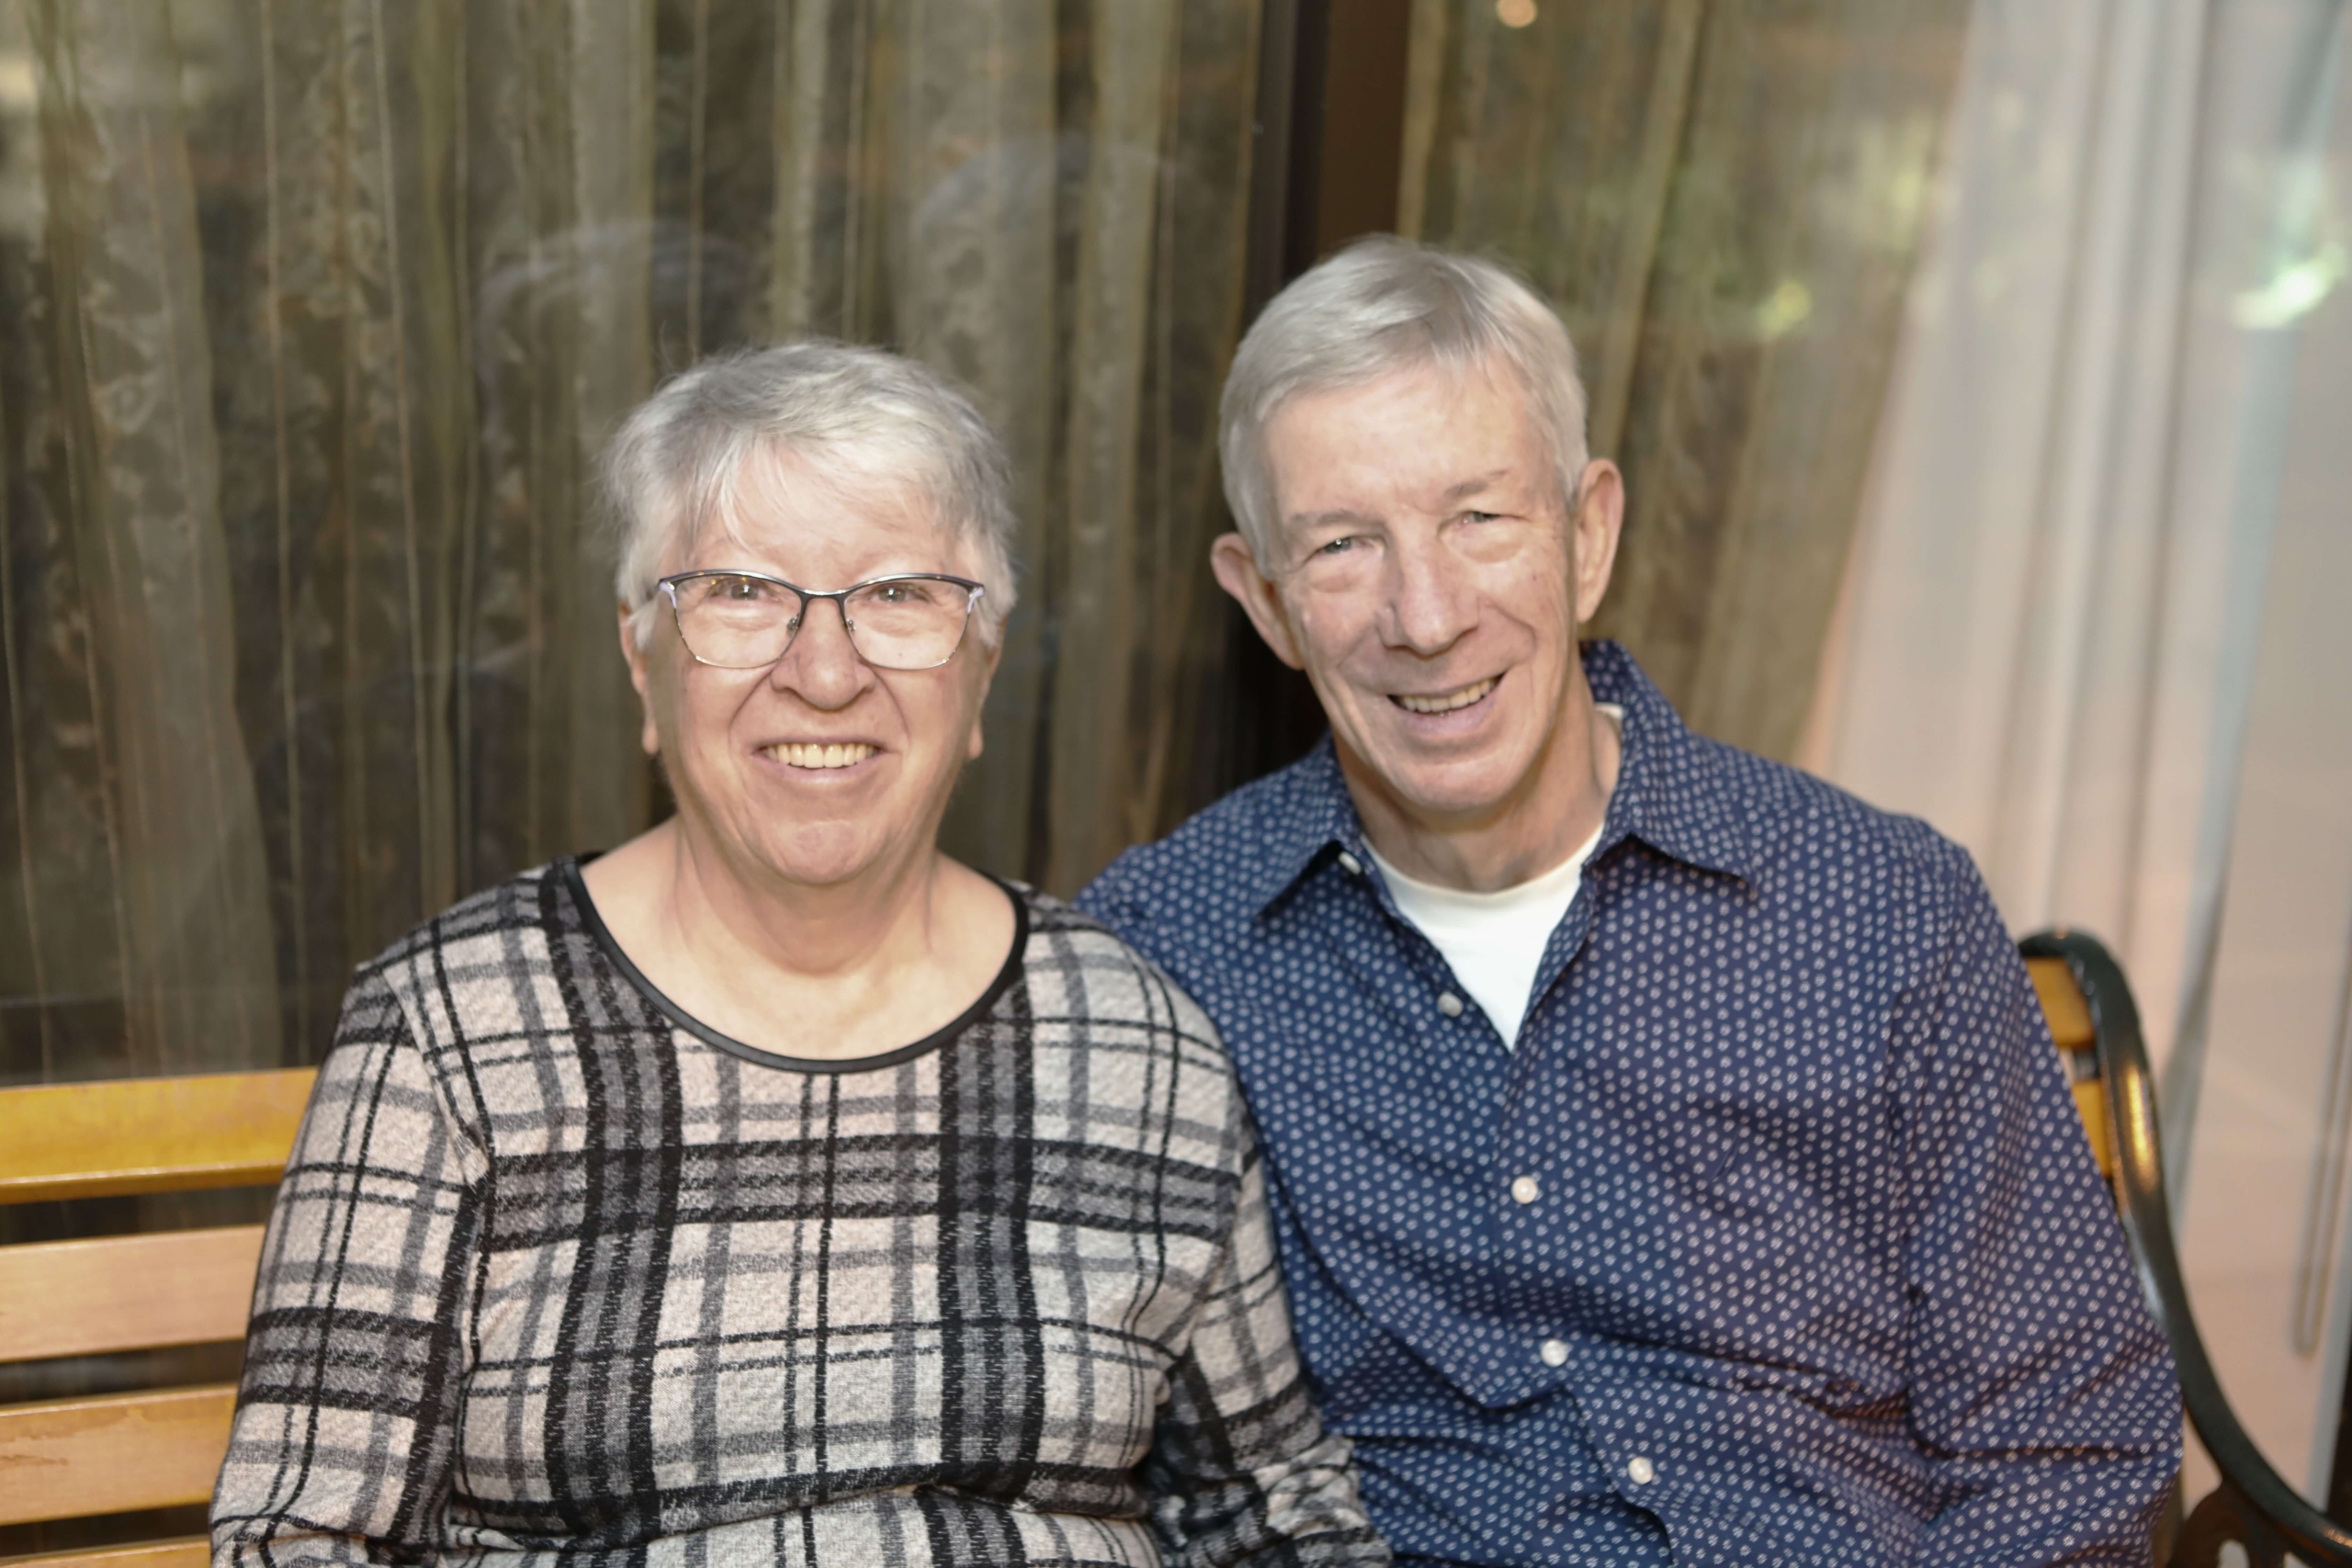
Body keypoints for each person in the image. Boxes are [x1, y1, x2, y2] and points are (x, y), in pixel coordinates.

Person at [1078, 239, 2181, 1566]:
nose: (1425, 615)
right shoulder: (1171, 954)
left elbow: (2070, 1443)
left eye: (1480, 519)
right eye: (1343, 545)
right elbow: (1099, 1456)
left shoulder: (1879, 911)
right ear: (1266, 601)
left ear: (1588, 534)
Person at [210, 342, 1388, 1568]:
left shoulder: (1137, 1040)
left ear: (981, 673)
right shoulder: (449, 1035)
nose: (825, 673)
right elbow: (298, 1541)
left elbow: (1269, 1512)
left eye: (899, 596)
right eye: (740, 592)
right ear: (642, 663)